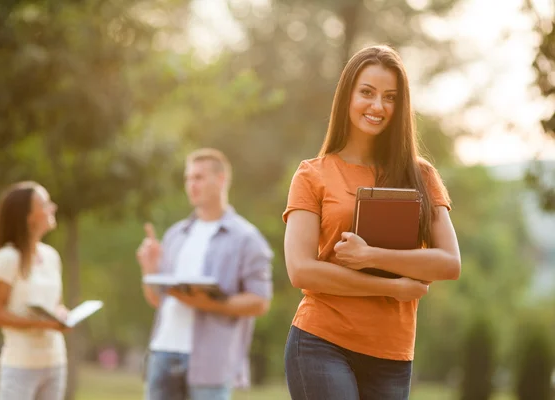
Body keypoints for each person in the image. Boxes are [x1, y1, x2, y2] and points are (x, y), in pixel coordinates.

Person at [282, 45, 461, 400]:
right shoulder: (312, 175)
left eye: (390, 97)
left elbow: (449, 263)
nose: (377, 106)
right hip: (321, 342)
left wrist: (371, 256)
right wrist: (393, 287)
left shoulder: (421, 176)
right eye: (367, 92)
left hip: (392, 353)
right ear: (347, 95)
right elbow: (301, 270)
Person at [136, 148, 273, 400]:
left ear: (221, 180)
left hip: (210, 363)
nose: (191, 185)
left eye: (198, 177)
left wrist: (209, 304)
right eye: (188, 178)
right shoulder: (176, 234)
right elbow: (159, 301)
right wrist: (149, 267)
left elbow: (260, 302)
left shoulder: (247, 239)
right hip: (162, 353)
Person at [0, 181, 69, 400]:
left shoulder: (51, 257)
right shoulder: (6, 259)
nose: (53, 207)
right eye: (45, 203)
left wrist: (62, 315)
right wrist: (40, 324)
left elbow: (56, 304)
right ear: (27, 216)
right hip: (21, 365)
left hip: (55, 362)